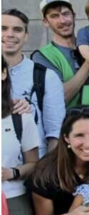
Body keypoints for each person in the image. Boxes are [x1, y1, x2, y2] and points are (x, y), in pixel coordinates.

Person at [3, 8, 64, 155]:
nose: (9, 34)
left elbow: (55, 131)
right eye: (3, 28)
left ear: (26, 36)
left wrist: (46, 172)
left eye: (17, 30)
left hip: (34, 170)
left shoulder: (45, 76)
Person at [3, 57, 39, 215]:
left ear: (3, 73)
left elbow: (34, 163)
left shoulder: (20, 116)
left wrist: (12, 172)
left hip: (13, 200)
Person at [34, 0, 89, 105]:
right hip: (68, 121)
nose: (63, 20)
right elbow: (59, 98)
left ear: (73, 16)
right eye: (54, 16)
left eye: (66, 14)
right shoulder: (42, 56)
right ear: (46, 22)